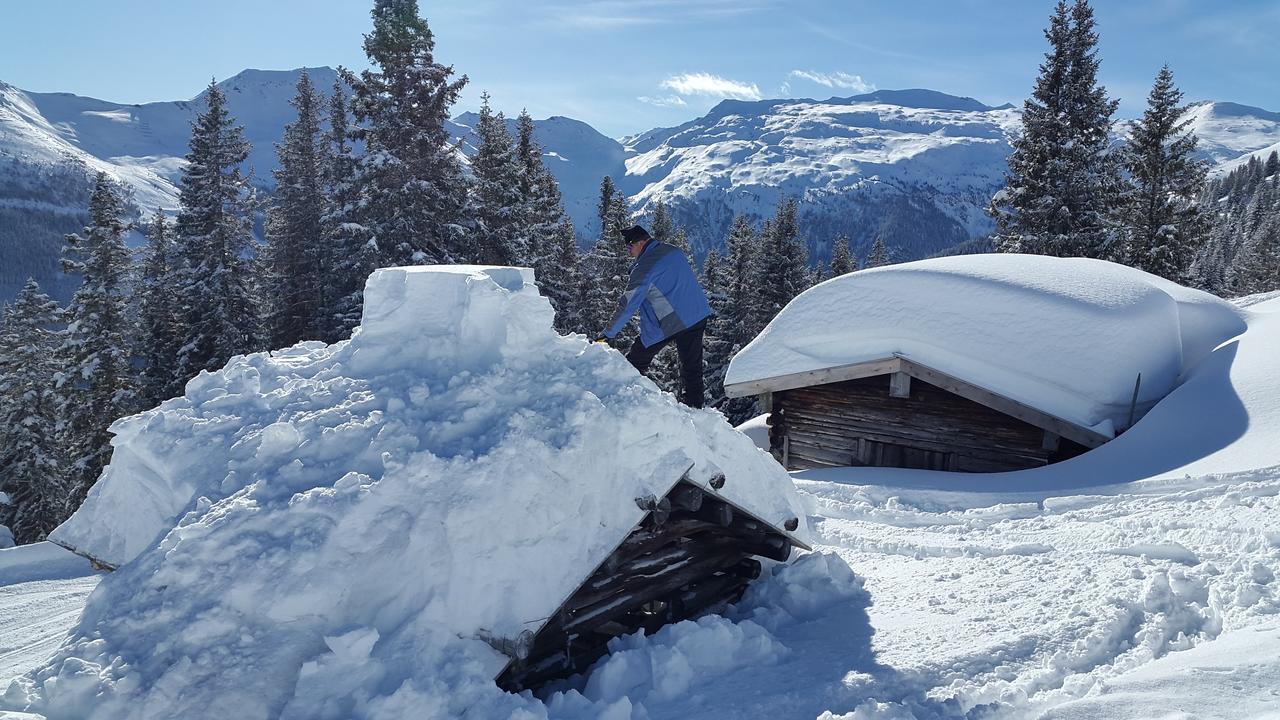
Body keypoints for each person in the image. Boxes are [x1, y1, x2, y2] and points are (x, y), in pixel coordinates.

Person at [596, 225, 712, 408]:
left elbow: (628, 304)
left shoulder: (645, 268)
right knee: (692, 368)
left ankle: (625, 400)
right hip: (697, 314)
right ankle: (696, 409)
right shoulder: (672, 251)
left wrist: (607, 334)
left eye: (629, 246)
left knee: (636, 360)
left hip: (673, 322)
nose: (628, 250)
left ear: (641, 242)